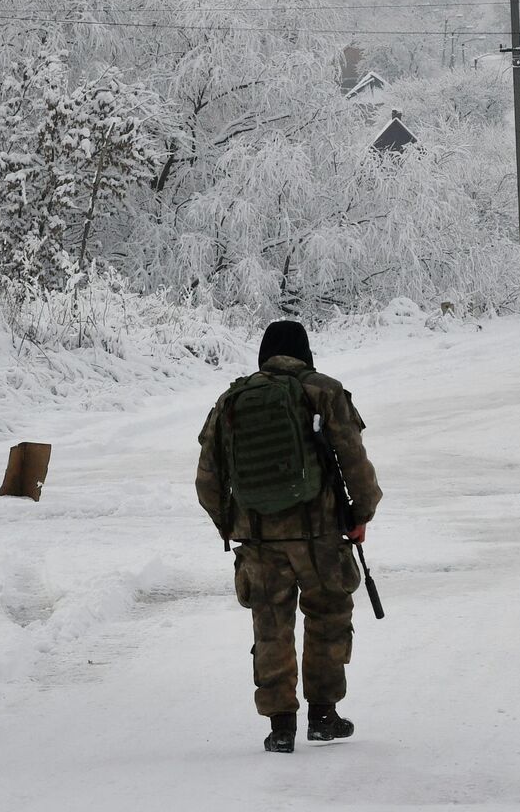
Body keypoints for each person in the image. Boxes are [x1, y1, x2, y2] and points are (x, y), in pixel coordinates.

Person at [196, 320, 383, 754]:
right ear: (305, 352)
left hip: (258, 539)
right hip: (319, 536)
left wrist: (230, 524)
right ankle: (323, 715)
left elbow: (208, 479)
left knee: (270, 625)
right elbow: (354, 461)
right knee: (328, 616)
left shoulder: (231, 400)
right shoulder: (324, 391)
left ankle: (280, 726)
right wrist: (361, 513)